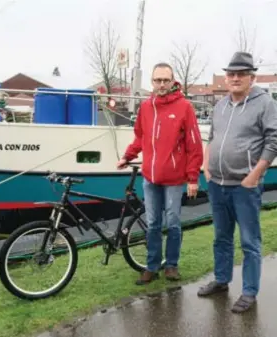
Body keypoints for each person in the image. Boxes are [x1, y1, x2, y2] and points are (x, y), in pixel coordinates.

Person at [197, 52, 277, 313]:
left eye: (241, 74)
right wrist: (207, 168)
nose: (235, 78)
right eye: (231, 74)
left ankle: (249, 292)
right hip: (216, 184)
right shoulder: (220, 106)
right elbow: (211, 138)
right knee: (221, 237)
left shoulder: (265, 103)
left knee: (249, 241)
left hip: (244, 187)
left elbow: (273, 141)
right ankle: (221, 280)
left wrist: (254, 175)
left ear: (251, 77)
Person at [117, 63, 203, 285]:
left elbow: (194, 145)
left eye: (166, 80)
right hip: (150, 178)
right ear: (152, 82)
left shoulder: (185, 107)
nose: (162, 84)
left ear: (173, 81)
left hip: (174, 179)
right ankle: (152, 266)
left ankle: (172, 265)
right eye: (158, 80)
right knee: (153, 223)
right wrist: (127, 156)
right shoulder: (146, 108)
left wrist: (192, 178)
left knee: (173, 222)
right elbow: (139, 137)